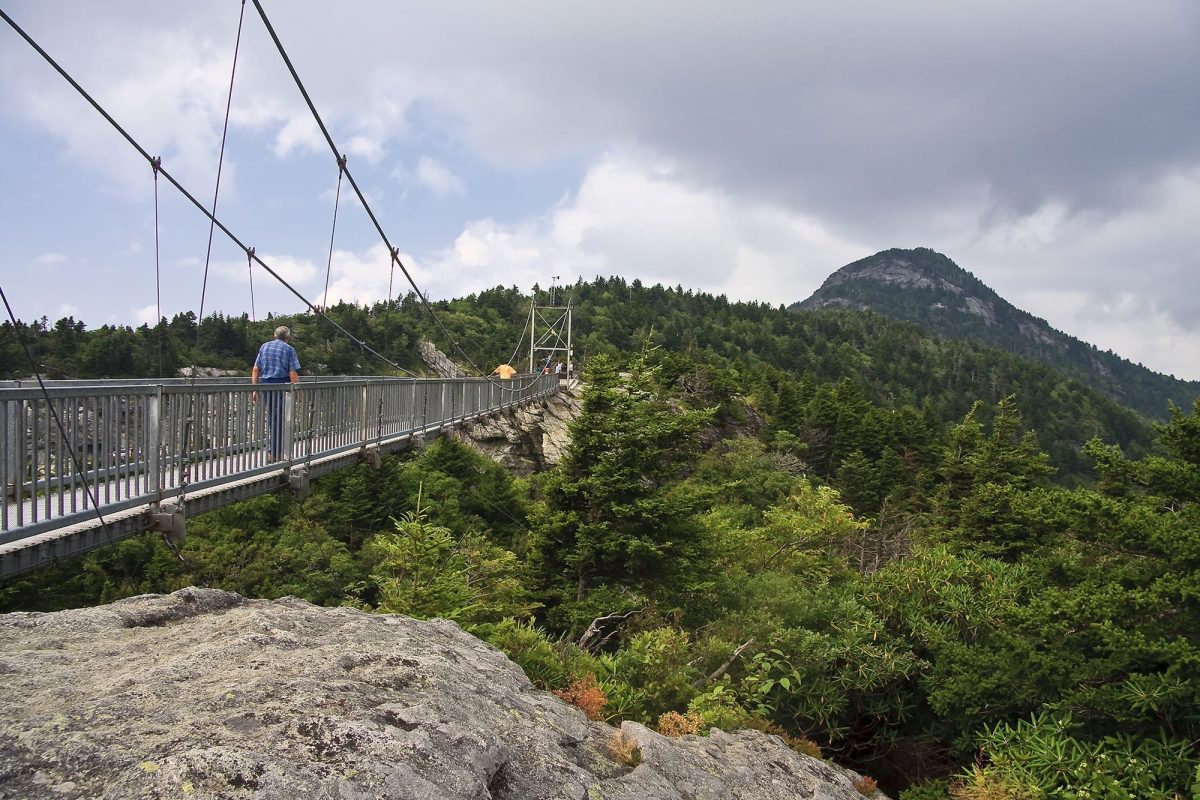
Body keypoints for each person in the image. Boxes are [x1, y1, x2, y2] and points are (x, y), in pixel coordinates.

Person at [251, 325, 300, 461]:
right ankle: (275, 455)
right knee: (279, 421)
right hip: (282, 386)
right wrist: (299, 392)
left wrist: (255, 389)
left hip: (266, 386)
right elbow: (292, 373)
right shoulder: (289, 349)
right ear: (288, 337)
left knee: (273, 420)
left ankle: (273, 453)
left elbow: (256, 370)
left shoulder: (264, 347)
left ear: (274, 335)